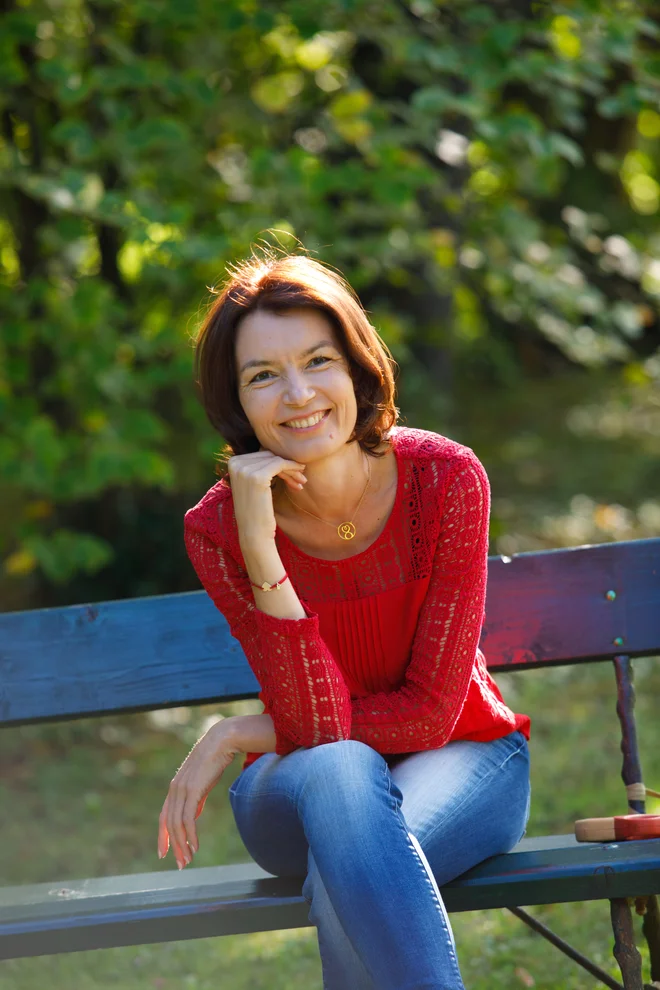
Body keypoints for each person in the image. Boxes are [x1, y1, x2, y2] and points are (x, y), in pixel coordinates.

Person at [157, 249, 531, 990]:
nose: (298, 395)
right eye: (263, 375)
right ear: (236, 401)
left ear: (357, 365)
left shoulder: (445, 479)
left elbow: (429, 717)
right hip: (294, 791)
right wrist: (261, 545)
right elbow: (324, 734)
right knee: (339, 771)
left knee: (348, 875)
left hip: (465, 759)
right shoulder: (218, 529)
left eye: (317, 360)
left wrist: (244, 731)